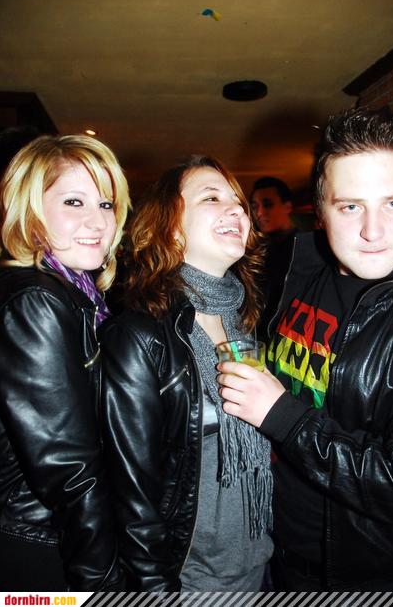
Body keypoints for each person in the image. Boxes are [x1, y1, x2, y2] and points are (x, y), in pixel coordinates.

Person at [218, 107, 393, 590]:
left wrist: (282, 416)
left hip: (366, 577)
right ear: (320, 213)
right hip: (272, 552)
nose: (373, 230)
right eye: (350, 207)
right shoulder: (295, 267)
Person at [99, 155, 274, 592]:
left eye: (238, 201)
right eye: (211, 198)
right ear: (171, 227)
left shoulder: (245, 320)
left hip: (261, 560)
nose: (236, 210)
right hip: (191, 579)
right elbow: (131, 492)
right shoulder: (141, 335)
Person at [0, 134, 130, 590]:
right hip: (39, 542)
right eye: (74, 202)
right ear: (30, 211)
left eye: (106, 204)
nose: (98, 221)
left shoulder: (76, 295)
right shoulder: (38, 299)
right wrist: (100, 581)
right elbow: (68, 468)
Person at [250, 177, 297, 339]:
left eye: (268, 204)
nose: (259, 213)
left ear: (287, 207)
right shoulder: (255, 251)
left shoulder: (305, 250)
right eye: (255, 206)